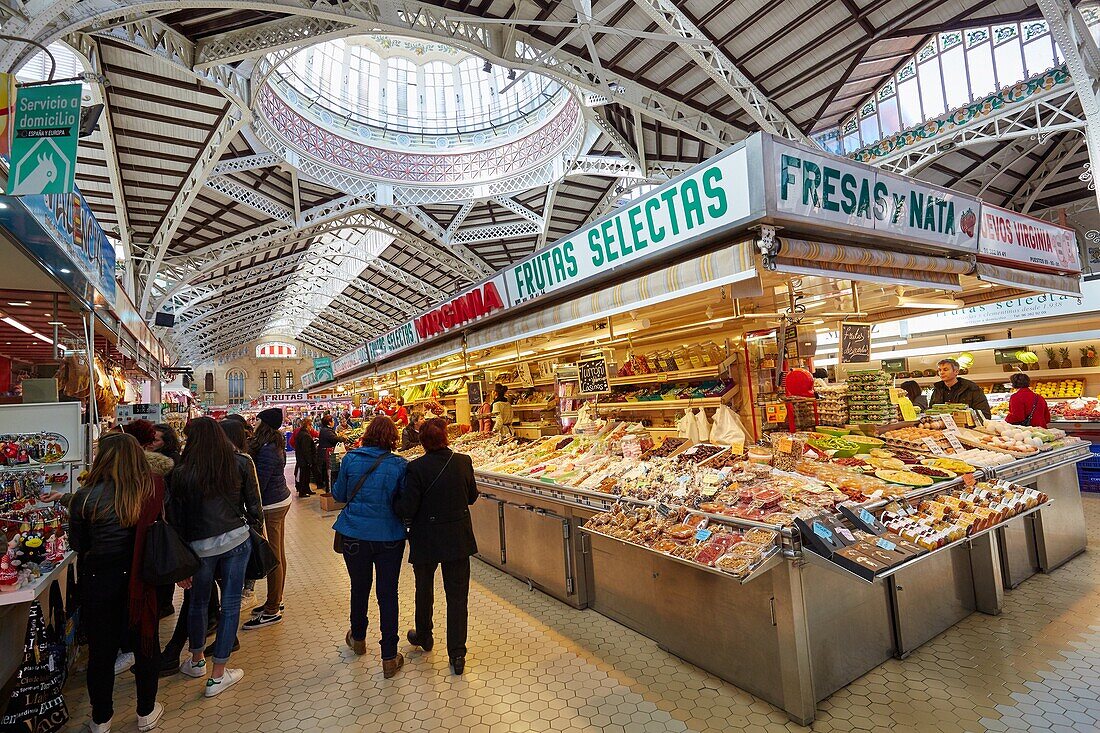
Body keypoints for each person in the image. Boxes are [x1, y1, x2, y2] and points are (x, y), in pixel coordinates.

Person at [68, 433, 166, 732]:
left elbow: (77, 543)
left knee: (101, 651)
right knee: (145, 643)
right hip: (139, 579)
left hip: (99, 580)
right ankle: (146, 711)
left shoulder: (84, 497)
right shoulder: (148, 490)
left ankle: (101, 718)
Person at [168, 417, 262, 698]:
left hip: (199, 548)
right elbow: (254, 507)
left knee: (197, 602)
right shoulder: (240, 462)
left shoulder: (180, 473)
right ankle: (218, 675)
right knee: (231, 605)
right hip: (236, 540)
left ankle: (196, 660)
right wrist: (253, 532)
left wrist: (182, 560)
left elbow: (176, 520)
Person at [395, 418, 479, 676]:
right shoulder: (463, 461)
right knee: (457, 596)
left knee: (424, 588)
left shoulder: (416, 468)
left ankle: (424, 636)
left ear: (422, 442)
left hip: (426, 537)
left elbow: (408, 507)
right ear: (445, 438)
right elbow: (472, 497)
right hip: (457, 536)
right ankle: (457, 653)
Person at [332, 416, 408, 677]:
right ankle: (389, 656)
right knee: (388, 593)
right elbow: (404, 503)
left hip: (355, 535)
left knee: (359, 587)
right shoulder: (400, 465)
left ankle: (359, 638)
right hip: (389, 536)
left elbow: (339, 495)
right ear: (392, 439)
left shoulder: (351, 459)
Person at [243, 408, 291, 630]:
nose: (254, 423)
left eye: (258, 420)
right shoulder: (272, 445)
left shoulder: (268, 449)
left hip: (272, 504)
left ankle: (272, 609)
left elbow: (259, 483)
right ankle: (275, 600)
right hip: (279, 500)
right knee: (278, 552)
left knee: (273, 556)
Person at [292, 417, 319, 497]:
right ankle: (303, 492)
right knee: (304, 476)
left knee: (306, 476)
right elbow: (306, 450)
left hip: (301, 459)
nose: (311, 427)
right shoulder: (305, 435)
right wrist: (309, 461)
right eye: (311, 425)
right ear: (308, 425)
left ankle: (307, 489)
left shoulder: (301, 433)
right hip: (304, 460)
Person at [317, 415, 344, 492]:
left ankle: (331, 489)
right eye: (332, 420)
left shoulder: (325, 430)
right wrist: (343, 438)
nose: (334, 422)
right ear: (329, 422)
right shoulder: (327, 431)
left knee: (330, 472)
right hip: (328, 454)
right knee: (330, 472)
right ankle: (330, 490)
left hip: (326, 453)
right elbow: (335, 439)